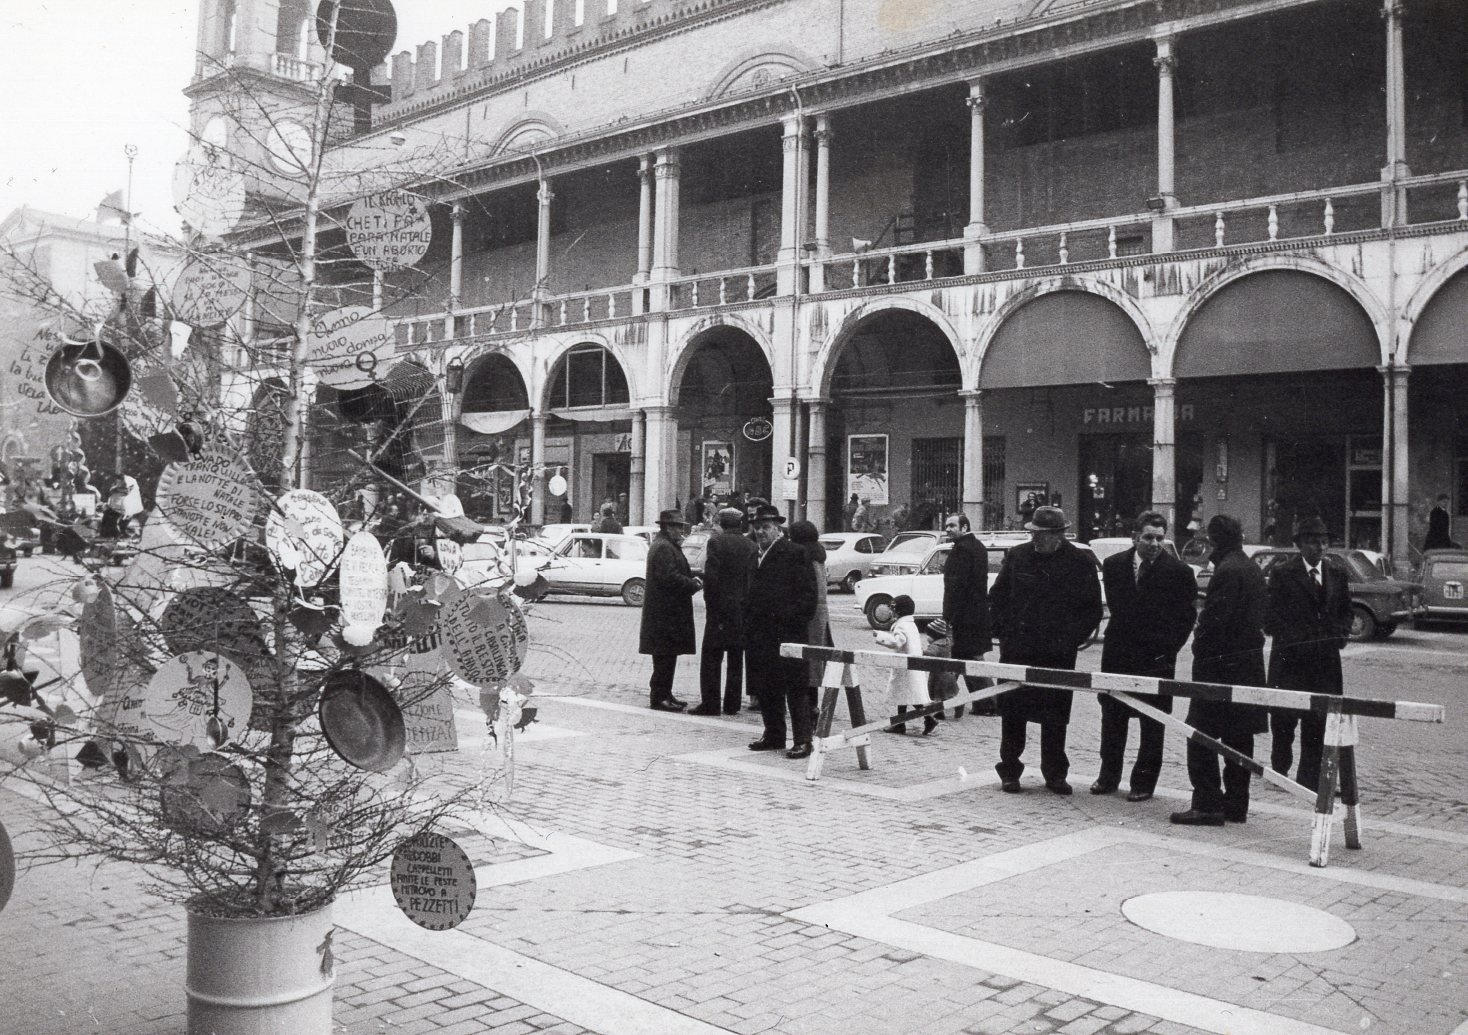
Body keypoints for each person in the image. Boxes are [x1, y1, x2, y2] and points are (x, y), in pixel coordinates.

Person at [988, 505, 1103, 794]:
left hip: (1057, 654)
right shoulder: (1018, 556)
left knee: (1055, 716)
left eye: (1040, 534)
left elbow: (1091, 609)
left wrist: (1070, 640)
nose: (1035, 539)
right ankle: (1010, 771)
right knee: (1013, 713)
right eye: (1033, 533)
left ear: (1058, 534)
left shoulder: (1080, 562)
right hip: (1018, 650)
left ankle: (1054, 774)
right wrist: (1005, 632)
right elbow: (997, 596)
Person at [1092, 510, 1197, 802]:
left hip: (1156, 658)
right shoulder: (1114, 565)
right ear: (1135, 537)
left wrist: (1168, 650)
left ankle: (1144, 782)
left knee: (1152, 722)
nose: (1154, 544)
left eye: (1160, 538)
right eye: (1148, 537)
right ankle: (1108, 776)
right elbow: (1118, 607)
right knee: (1113, 718)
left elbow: (1186, 618)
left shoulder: (1179, 572)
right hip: (1119, 655)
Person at [1172, 514, 1269, 826]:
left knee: (1199, 734)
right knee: (1239, 738)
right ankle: (1237, 805)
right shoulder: (1251, 568)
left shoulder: (1226, 571)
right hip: (1248, 667)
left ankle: (1207, 803)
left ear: (1214, 540)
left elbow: (1214, 623)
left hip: (1218, 669)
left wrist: (1199, 646)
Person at [1264, 516, 1351, 792]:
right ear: (1300, 545)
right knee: (1284, 720)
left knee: (1318, 722)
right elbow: (1270, 616)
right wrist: (1295, 640)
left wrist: (1338, 637)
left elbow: (1346, 612)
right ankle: (1280, 772)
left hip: (1324, 663)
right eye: (1313, 542)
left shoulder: (1337, 573)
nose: (1320, 548)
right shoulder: (1283, 573)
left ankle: (1309, 778)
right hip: (1290, 662)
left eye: (1324, 542)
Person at [743, 504, 817, 756]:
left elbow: (808, 597)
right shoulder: (754, 555)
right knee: (766, 686)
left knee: (795, 687)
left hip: (788, 633)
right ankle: (773, 734)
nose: (760, 532)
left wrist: (788, 619)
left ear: (778, 528)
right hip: (760, 634)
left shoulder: (794, 552)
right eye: (757, 527)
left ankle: (803, 739)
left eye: (766, 527)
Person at [638, 509, 703, 712]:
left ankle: (665, 693)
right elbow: (670, 577)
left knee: (667, 656)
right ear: (668, 527)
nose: (680, 531)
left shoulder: (665, 545)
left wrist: (690, 578)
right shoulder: (664, 547)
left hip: (666, 613)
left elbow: (673, 573)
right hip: (665, 614)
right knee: (664, 656)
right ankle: (659, 697)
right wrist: (693, 584)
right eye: (677, 527)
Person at [695, 507, 756, 716]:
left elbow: (711, 578)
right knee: (736, 659)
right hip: (741, 611)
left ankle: (710, 703)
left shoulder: (716, 542)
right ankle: (732, 704)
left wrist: (710, 605)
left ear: (722, 523)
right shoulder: (750, 545)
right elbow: (751, 581)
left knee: (712, 659)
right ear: (740, 524)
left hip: (719, 611)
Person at [786, 520, 833, 757]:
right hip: (820, 619)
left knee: (804, 670)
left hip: (809, 620)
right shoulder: (819, 556)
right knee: (813, 670)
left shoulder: (803, 557)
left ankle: (810, 714)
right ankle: (813, 710)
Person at [941, 512, 993, 719]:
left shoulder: (962, 550)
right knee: (966, 657)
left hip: (963, 616)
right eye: (946, 525)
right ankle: (984, 702)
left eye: (952, 526)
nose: (948, 529)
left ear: (964, 527)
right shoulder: (978, 546)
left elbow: (956, 586)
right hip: (975, 614)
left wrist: (948, 616)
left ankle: (987, 702)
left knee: (964, 658)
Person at [874, 595, 937, 735]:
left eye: (892, 608)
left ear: (899, 610)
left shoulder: (901, 625)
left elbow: (897, 642)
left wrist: (880, 636)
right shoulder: (910, 624)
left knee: (904, 694)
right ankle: (904, 723)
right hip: (911, 664)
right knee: (906, 695)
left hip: (905, 666)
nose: (890, 611)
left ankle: (921, 720)